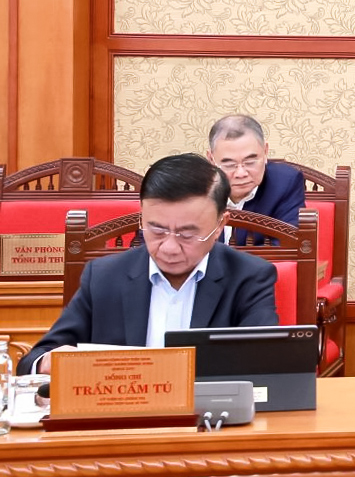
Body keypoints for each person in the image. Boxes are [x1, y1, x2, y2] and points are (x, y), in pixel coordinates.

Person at [20, 154, 280, 374]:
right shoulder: (104, 276)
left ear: (220, 224)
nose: (169, 247)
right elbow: (34, 360)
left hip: (208, 416)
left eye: (187, 234)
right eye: (156, 230)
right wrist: (46, 362)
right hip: (120, 415)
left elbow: (265, 364)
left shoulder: (249, 277)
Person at [207, 114, 305, 245]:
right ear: (211, 160)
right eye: (229, 164)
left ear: (265, 151)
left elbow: (287, 246)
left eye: (250, 162)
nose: (241, 173)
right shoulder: (196, 188)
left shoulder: (285, 183)